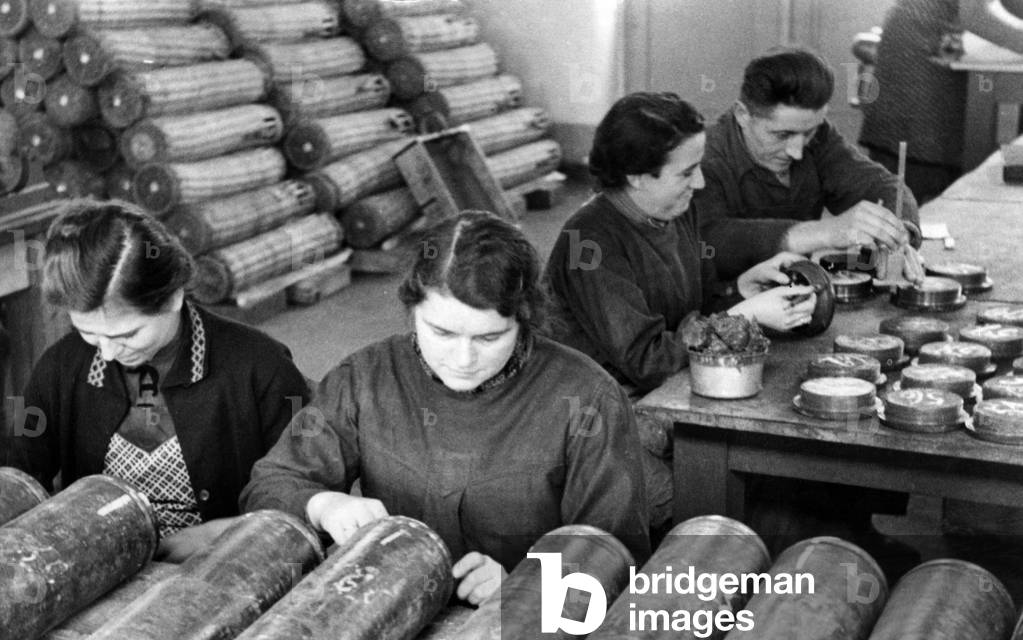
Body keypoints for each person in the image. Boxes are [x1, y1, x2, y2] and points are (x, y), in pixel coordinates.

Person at [240, 210, 651, 606]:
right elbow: (268, 486)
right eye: (441, 332)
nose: (463, 358)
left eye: (489, 338)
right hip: (388, 614)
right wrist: (324, 504)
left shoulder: (587, 398)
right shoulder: (364, 377)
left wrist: (527, 588)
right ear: (411, 308)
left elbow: (616, 556)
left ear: (525, 319)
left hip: (524, 637)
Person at [544, 91, 817, 529]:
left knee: (779, 453)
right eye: (687, 172)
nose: (701, 184)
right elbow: (648, 361)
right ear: (636, 176)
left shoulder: (674, 209)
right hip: (598, 418)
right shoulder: (588, 243)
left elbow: (697, 309)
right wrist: (744, 314)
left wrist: (741, 289)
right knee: (700, 503)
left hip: (668, 392)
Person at [6, 199, 310, 561]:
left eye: (128, 334)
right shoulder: (61, 367)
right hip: (99, 570)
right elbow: (20, 467)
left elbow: (305, 489)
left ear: (173, 297)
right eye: (87, 332)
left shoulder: (259, 367)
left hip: (232, 566)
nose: (105, 353)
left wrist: (224, 532)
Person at [696, 47, 922, 281]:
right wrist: (822, 232)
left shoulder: (818, 137)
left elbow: (882, 185)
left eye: (809, 133)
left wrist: (897, 232)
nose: (796, 152)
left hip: (800, 290)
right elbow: (707, 241)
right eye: (782, 135)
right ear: (743, 114)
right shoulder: (703, 158)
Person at [859, 0, 1023, 203]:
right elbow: (975, 15)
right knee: (916, 153)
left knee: (928, 155)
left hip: (933, 38)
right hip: (920, 41)